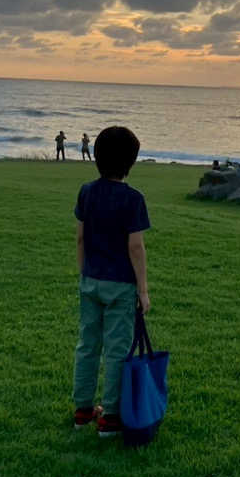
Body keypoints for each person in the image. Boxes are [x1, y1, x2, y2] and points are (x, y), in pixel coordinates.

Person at [72, 126, 150, 438]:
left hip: (90, 279)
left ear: (96, 157)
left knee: (87, 345)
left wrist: (84, 273)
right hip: (121, 285)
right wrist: (143, 290)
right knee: (117, 349)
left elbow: (80, 238)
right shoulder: (133, 199)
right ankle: (110, 418)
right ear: (131, 161)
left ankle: (82, 411)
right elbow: (135, 247)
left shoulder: (86, 191)